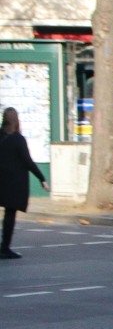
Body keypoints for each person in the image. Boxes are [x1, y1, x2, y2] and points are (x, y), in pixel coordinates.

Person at [0, 108, 50, 259]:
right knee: (10, 214)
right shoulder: (18, 140)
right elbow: (28, 162)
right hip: (14, 183)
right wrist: (42, 178)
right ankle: (5, 248)